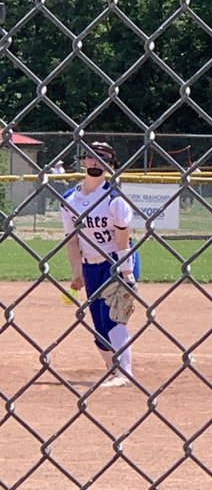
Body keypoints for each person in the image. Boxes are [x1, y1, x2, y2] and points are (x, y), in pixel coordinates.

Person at [61, 141, 139, 389]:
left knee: (113, 317)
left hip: (116, 262)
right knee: (98, 324)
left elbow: (122, 240)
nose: (96, 163)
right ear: (83, 161)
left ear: (110, 165)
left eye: (102, 159)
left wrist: (127, 274)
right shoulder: (69, 199)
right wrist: (76, 272)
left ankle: (124, 373)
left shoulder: (114, 199)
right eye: (91, 157)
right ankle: (112, 368)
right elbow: (72, 241)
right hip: (90, 266)